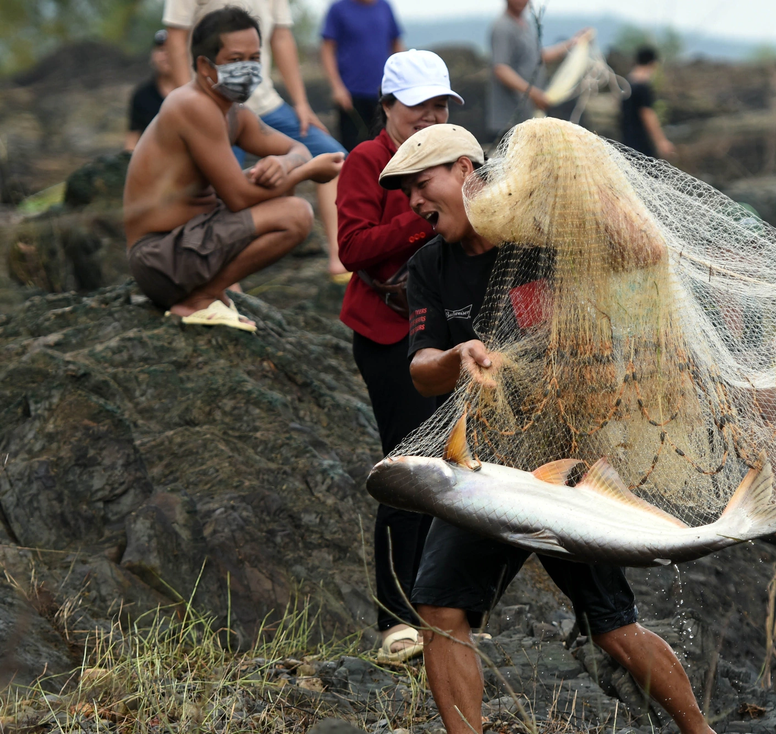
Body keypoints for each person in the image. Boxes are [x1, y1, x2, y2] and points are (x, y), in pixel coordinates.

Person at [377, 123, 715, 734]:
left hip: (565, 462)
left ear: (463, 170)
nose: (415, 205)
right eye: (405, 196)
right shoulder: (429, 267)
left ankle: (701, 732)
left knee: (612, 624)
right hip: (483, 470)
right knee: (439, 608)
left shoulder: (544, 237)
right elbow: (422, 369)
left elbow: (643, 251)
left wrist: (579, 171)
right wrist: (458, 358)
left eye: (422, 186)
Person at [335, 49, 460, 664]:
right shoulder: (366, 162)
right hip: (386, 336)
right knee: (406, 470)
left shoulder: (457, 156)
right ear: (387, 107)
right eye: (419, 107)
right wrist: (424, 216)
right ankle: (395, 619)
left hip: (446, 334)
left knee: (457, 469)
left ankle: (448, 613)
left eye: (440, 105)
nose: (431, 115)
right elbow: (354, 247)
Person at [124, 7, 343, 331]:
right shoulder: (192, 105)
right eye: (236, 59)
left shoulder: (234, 112)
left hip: (191, 245)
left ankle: (207, 292)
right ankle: (199, 299)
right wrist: (307, 171)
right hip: (159, 259)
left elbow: (295, 147)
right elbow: (239, 198)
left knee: (271, 187)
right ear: (204, 66)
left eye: (255, 58)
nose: (249, 69)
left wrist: (284, 163)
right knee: (296, 214)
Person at [163, 0, 351, 282]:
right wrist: (186, 103)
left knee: (335, 156)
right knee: (217, 192)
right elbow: (176, 37)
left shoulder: (248, 115)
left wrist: (301, 104)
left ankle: (340, 257)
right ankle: (224, 286)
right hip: (211, 102)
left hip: (265, 104)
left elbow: (282, 36)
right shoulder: (195, 108)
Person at [486, 0, 589, 142]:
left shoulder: (526, 25)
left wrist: (572, 43)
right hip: (509, 119)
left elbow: (538, 57)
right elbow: (500, 69)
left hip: (528, 118)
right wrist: (534, 93)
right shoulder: (502, 27)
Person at [320, 0, 405, 151]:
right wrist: (337, 87)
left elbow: (396, 44)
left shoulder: (385, 7)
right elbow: (327, 49)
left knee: (387, 148)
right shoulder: (338, 9)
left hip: (384, 93)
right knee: (353, 147)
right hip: (351, 95)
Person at [620, 45, 675, 160]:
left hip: (625, 139)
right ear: (653, 63)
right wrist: (661, 141)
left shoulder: (626, 84)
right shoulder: (642, 87)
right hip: (641, 142)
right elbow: (647, 114)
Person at [126, 30, 175, 152]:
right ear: (152, 55)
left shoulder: (194, 94)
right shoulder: (142, 96)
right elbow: (132, 140)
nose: (166, 55)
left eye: (171, 49)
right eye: (161, 50)